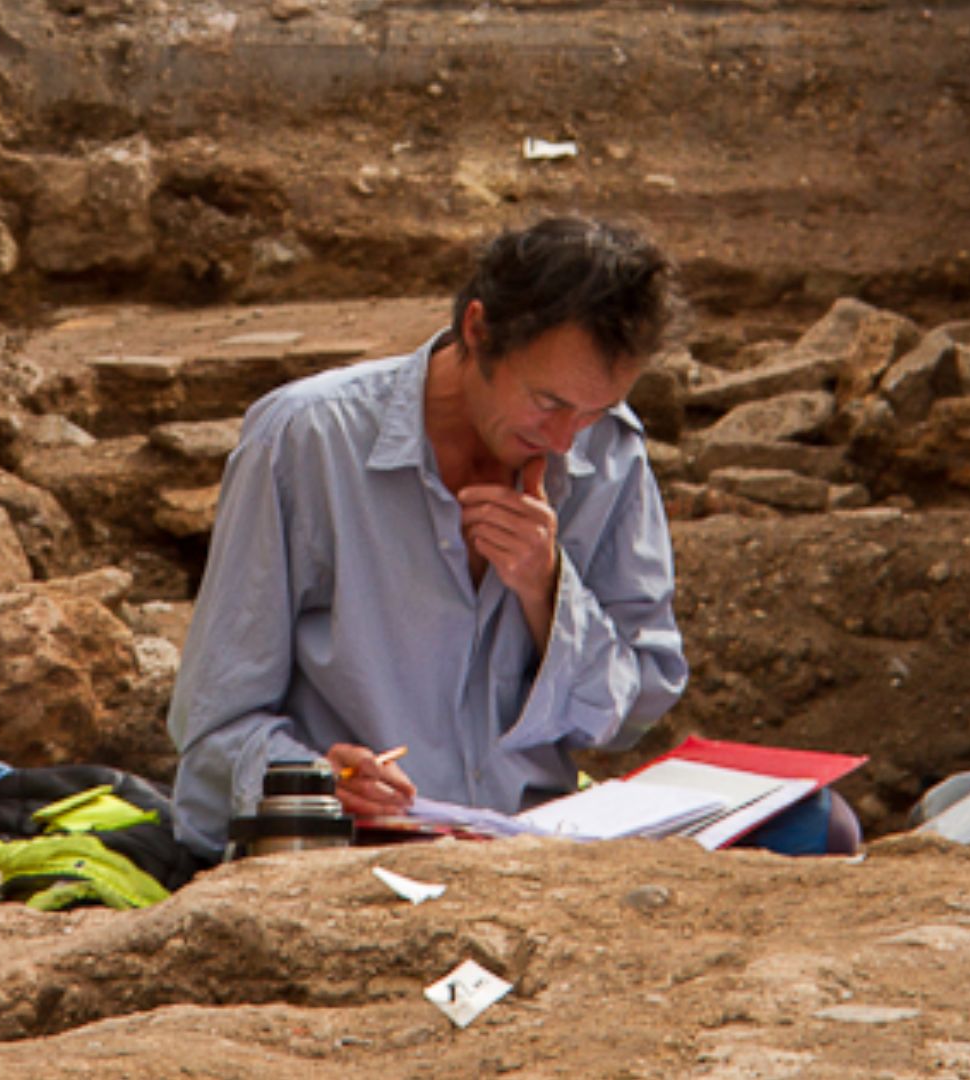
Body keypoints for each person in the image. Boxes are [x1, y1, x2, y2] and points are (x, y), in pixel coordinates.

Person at [165, 216, 690, 860]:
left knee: (821, 824)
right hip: (353, 863)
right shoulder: (304, 442)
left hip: (534, 858)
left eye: (594, 411)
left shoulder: (611, 453)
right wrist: (316, 783)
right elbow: (217, 726)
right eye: (548, 402)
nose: (564, 441)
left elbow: (637, 709)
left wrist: (548, 590)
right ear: (478, 331)